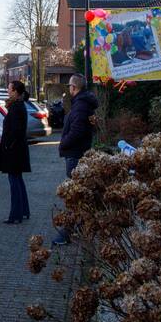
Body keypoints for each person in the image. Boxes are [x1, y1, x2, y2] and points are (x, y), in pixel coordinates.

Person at [53, 74, 98, 245]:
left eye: (70, 85)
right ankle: (80, 228)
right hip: (77, 153)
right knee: (77, 195)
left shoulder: (80, 106)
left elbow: (77, 131)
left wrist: (63, 143)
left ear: (74, 87)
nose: (68, 88)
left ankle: (67, 233)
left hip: (75, 154)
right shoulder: (82, 103)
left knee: (74, 196)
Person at [0, 80, 31, 225]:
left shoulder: (16, 107)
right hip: (17, 150)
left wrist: (8, 145)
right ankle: (23, 211)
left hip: (14, 151)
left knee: (14, 182)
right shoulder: (18, 105)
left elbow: (16, 131)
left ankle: (16, 215)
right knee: (18, 180)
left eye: (10, 89)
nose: (8, 91)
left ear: (16, 92)